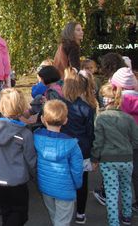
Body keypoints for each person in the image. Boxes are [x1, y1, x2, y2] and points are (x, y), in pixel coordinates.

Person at [0, 88, 36, 226]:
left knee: (6, 210)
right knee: (20, 213)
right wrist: (36, 176)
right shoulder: (24, 133)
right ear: (21, 106)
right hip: (16, 180)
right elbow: (31, 160)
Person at [91, 81, 138, 226]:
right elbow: (136, 140)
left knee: (111, 192)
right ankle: (127, 216)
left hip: (108, 160)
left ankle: (113, 222)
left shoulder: (101, 118)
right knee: (126, 187)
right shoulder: (129, 118)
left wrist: (95, 157)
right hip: (127, 159)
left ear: (103, 99)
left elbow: (98, 141)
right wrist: (129, 149)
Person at [34, 100, 83, 226]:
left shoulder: (37, 139)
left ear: (43, 119)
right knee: (62, 221)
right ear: (65, 120)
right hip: (65, 189)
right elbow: (77, 169)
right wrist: (77, 185)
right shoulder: (72, 145)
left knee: (54, 216)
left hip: (46, 187)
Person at [61, 68, 97, 224]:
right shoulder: (87, 107)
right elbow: (90, 132)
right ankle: (80, 213)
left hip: (64, 149)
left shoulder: (59, 105)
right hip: (81, 150)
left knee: (65, 180)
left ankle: (65, 212)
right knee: (82, 182)